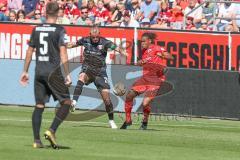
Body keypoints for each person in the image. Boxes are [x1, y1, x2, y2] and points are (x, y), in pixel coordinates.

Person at [19, 1, 72, 149]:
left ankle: (36, 141)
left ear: (45, 12)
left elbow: (30, 51)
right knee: (67, 102)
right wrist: (67, 74)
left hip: (39, 72)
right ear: (58, 13)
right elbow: (63, 52)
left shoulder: (36, 29)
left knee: (39, 106)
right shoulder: (60, 29)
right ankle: (52, 130)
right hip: (53, 73)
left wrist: (25, 71)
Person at [67, 25, 126, 129]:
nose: (94, 39)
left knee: (107, 101)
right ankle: (74, 102)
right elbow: (74, 44)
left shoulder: (105, 42)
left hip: (100, 73)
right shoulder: (85, 40)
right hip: (88, 69)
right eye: (93, 37)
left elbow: (115, 47)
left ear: (99, 35)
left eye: (96, 37)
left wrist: (121, 51)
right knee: (81, 77)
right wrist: (64, 45)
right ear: (90, 35)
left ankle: (111, 120)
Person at [120, 32, 173, 130]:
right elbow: (145, 63)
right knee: (129, 95)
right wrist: (140, 63)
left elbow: (170, 57)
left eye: (144, 41)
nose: (142, 43)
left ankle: (145, 122)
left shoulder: (157, 48)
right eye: (141, 41)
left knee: (145, 103)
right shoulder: (144, 51)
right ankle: (128, 120)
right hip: (145, 78)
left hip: (156, 79)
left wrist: (162, 55)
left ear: (150, 41)